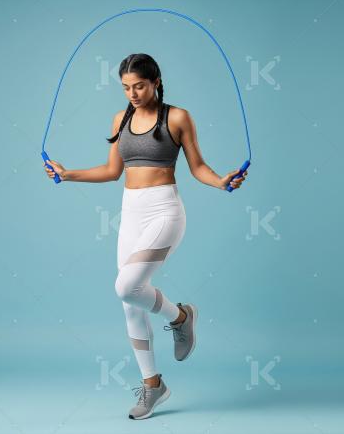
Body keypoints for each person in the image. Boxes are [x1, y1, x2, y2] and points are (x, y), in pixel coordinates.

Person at [43, 53, 247, 419]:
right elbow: (110, 171)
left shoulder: (178, 118)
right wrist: (66, 173)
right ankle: (153, 385)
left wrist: (221, 182)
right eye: (125, 87)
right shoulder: (121, 119)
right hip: (131, 213)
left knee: (127, 287)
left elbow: (197, 166)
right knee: (129, 301)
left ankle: (181, 317)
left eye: (138, 85)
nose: (132, 93)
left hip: (165, 211)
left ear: (155, 81)